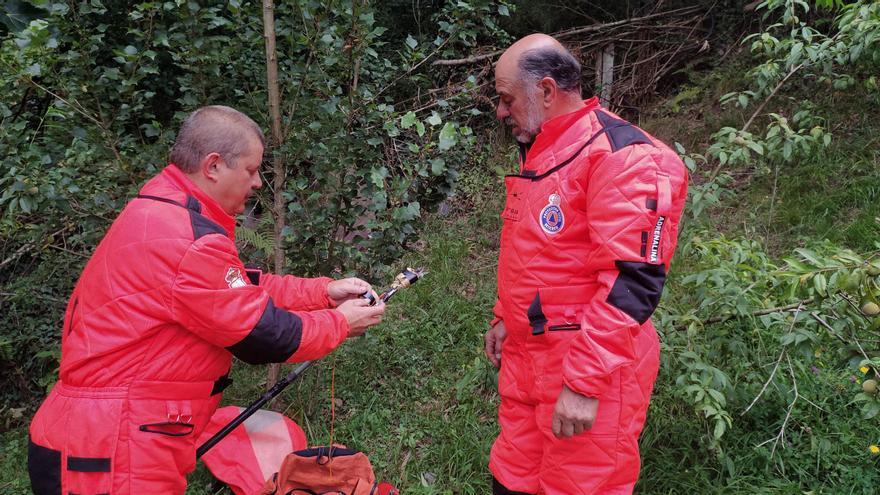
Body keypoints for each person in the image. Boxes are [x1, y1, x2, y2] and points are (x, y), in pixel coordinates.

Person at [27, 105, 386, 494]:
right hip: (111, 448)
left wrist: (321, 292)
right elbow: (264, 335)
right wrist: (341, 323)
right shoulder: (183, 238)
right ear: (213, 165)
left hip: (111, 437)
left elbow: (237, 289)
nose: (258, 183)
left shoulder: (166, 216)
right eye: (250, 170)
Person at [484, 34, 688, 494]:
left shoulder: (626, 158)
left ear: (547, 92)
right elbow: (536, 251)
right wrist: (504, 317)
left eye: (506, 99)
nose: (501, 111)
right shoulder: (546, 151)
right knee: (511, 482)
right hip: (528, 362)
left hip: (589, 372)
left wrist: (583, 383)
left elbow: (632, 283)